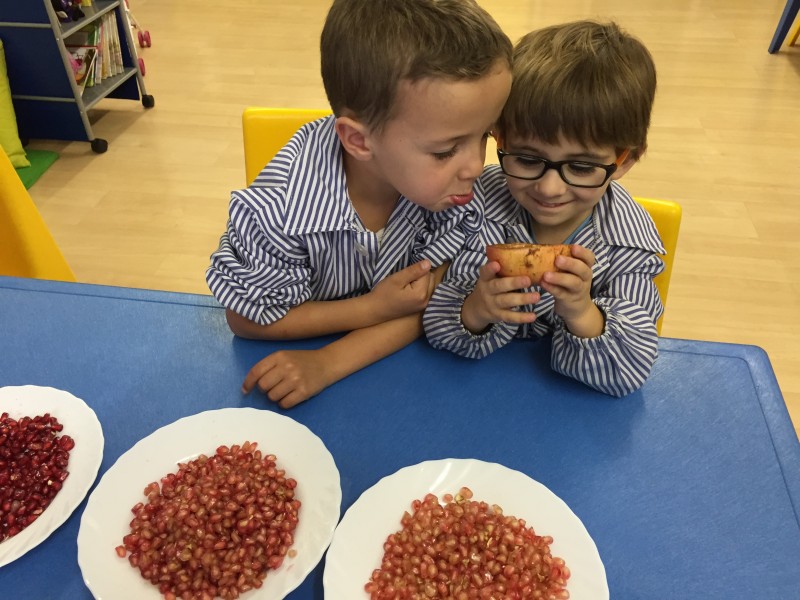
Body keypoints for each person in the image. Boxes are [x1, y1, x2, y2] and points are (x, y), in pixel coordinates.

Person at [206, 0, 512, 408]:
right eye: (445, 151)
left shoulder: (451, 196)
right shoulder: (279, 211)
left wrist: (331, 362)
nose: (476, 166)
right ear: (358, 141)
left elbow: (430, 303)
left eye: (485, 135)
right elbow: (246, 318)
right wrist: (370, 309)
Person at [424, 20, 665, 397]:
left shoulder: (629, 246)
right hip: (468, 394)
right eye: (526, 159)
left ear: (625, 160)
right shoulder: (472, 208)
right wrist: (475, 310)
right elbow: (430, 325)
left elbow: (628, 372)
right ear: (499, 137)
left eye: (581, 167)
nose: (549, 188)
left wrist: (582, 313)